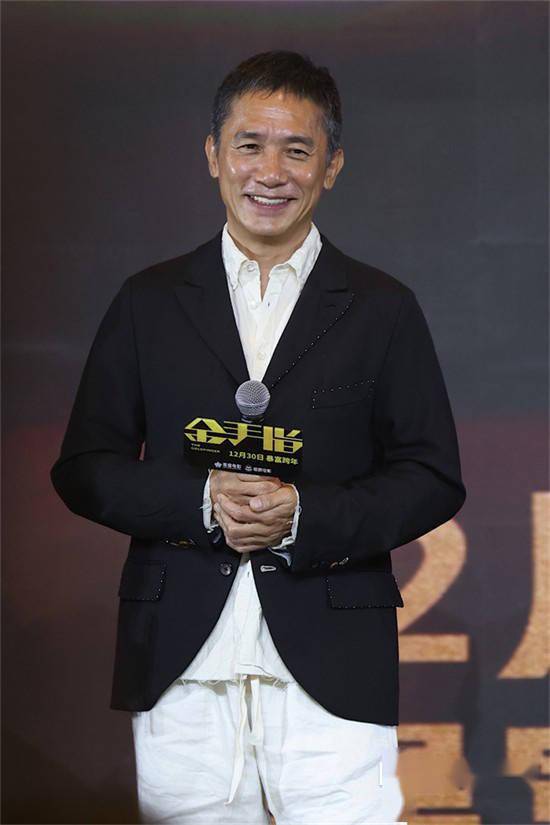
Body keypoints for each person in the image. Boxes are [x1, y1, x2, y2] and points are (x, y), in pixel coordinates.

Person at [50, 50, 466, 825]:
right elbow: (84, 467)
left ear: (332, 166)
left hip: (335, 660)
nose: (270, 172)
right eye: (250, 145)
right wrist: (199, 500)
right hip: (181, 662)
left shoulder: (383, 308)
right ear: (214, 154)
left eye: (297, 150)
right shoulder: (148, 302)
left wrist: (306, 516)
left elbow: (432, 475)